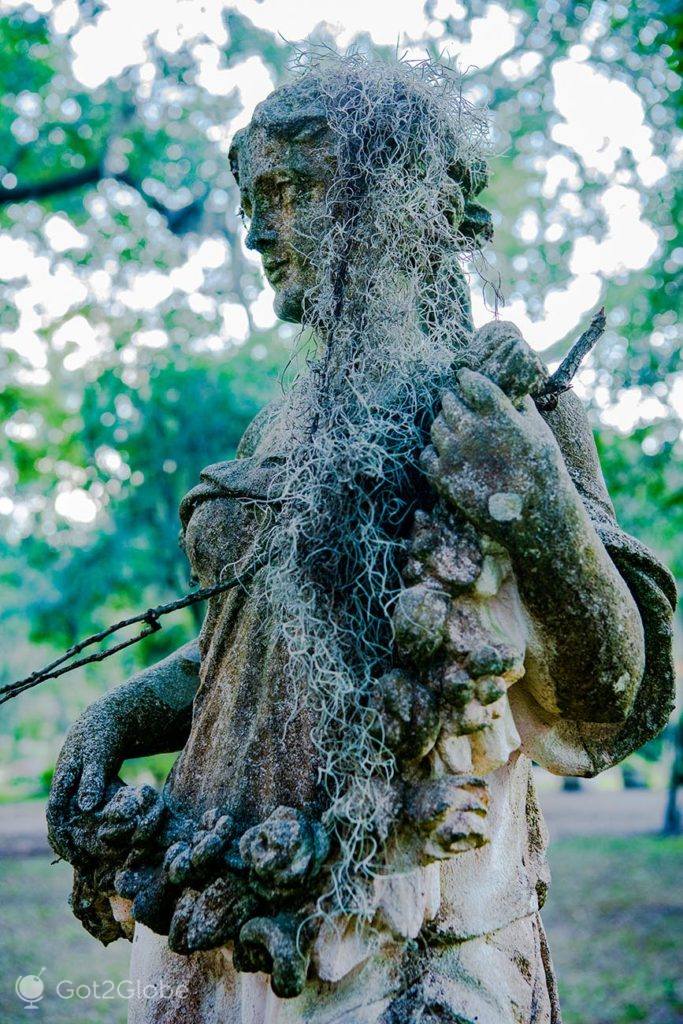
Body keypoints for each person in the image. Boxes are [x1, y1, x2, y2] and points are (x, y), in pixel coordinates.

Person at [48, 58, 676, 1024]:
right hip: (224, 924)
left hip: (411, 957)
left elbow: (611, 696)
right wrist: (114, 718)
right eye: (252, 199)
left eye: (289, 192)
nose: (258, 233)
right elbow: (243, 660)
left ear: (396, 200)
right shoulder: (279, 433)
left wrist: (537, 500)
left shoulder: (510, 409)